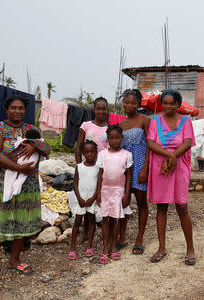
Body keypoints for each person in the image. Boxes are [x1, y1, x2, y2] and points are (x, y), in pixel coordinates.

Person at [0, 95, 50, 282]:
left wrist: (34, 147)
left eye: (21, 108)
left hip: (28, 183)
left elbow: (47, 148)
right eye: (14, 108)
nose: (18, 111)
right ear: (7, 109)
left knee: (22, 221)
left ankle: (14, 260)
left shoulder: (31, 129)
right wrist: (18, 167)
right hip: (3, 182)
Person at [146, 89, 196, 266]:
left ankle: (190, 248)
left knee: (182, 206)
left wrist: (173, 157)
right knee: (161, 207)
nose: (168, 106)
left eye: (171, 103)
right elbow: (150, 142)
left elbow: (188, 142)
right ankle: (161, 248)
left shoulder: (185, 121)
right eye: (165, 103)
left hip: (179, 167)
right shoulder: (154, 121)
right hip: (161, 168)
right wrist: (169, 156)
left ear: (177, 104)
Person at [119, 89, 150, 255]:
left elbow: (150, 146)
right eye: (127, 102)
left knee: (141, 202)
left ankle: (140, 238)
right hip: (125, 168)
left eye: (133, 102)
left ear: (139, 104)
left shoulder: (145, 120)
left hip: (139, 166)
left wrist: (145, 167)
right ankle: (121, 237)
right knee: (124, 202)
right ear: (123, 102)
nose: (129, 105)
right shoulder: (121, 124)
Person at [96, 125, 133, 264]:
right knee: (105, 219)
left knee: (116, 219)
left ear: (121, 138)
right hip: (105, 190)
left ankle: (114, 245)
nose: (114, 140)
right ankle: (105, 247)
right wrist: (98, 193)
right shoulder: (102, 154)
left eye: (117, 137)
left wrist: (127, 194)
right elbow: (100, 175)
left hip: (118, 191)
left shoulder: (127, 154)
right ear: (108, 140)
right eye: (111, 138)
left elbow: (128, 176)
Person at [75, 97, 108, 243]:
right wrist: (78, 167)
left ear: (108, 110)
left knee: (94, 201)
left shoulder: (108, 129)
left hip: (101, 170)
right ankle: (84, 233)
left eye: (104, 108)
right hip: (86, 170)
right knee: (85, 199)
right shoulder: (86, 125)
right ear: (94, 110)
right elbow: (78, 146)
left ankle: (92, 233)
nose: (101, 111)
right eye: (99, 108)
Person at [68, 140, 100, 260]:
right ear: (83, 153)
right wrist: (79, 198)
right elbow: (75, 183)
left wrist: (93, 198)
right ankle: (72, 247)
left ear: (96, 152)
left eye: (92, 151)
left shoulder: (98, 168)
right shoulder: (79, 167)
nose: (90, 154)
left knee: (92, 221)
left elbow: (98, 185)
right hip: (80, 199)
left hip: (91, 199)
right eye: (87, 152)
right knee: (77, 222)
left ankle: (89, 245)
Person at [2, 128, 43, 202]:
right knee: (23, 175)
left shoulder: (24, 141)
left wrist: (19, 139)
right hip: (32, 163)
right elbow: (45, 147)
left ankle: (7, 195)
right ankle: (17, 187)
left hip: (21, 160)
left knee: (10, 173)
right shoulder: (40, 142)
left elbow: (16, 145)